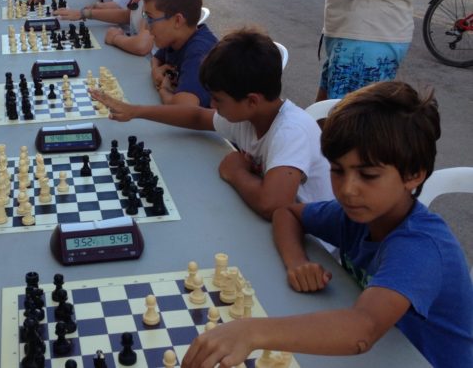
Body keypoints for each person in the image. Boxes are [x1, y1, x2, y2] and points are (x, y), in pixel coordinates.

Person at [182, 81, 473, 368]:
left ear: (413, 175)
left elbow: (362, 329)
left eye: (368, 175)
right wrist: (296, 261)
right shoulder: (357, 215)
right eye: (337, 171)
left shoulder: (420, 247)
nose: (347, 189)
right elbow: (287, 213)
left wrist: (251, 331)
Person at [91, 28, 334, 220]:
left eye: (218, 99)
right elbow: (196, 116)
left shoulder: (291, 131)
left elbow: (272, 205)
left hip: (317, 247)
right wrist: (136, 111)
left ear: (251, 100)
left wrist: (236, 172)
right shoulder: (248, 116)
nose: (213, 106)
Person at [146, 0, 218, 105]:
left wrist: (164, 91)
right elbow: (156, 58)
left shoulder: (199, 52)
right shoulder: (174, 39)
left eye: (150, 18)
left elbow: (184, 109)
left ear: (177, 21)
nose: (146, 25)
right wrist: (155, 69)